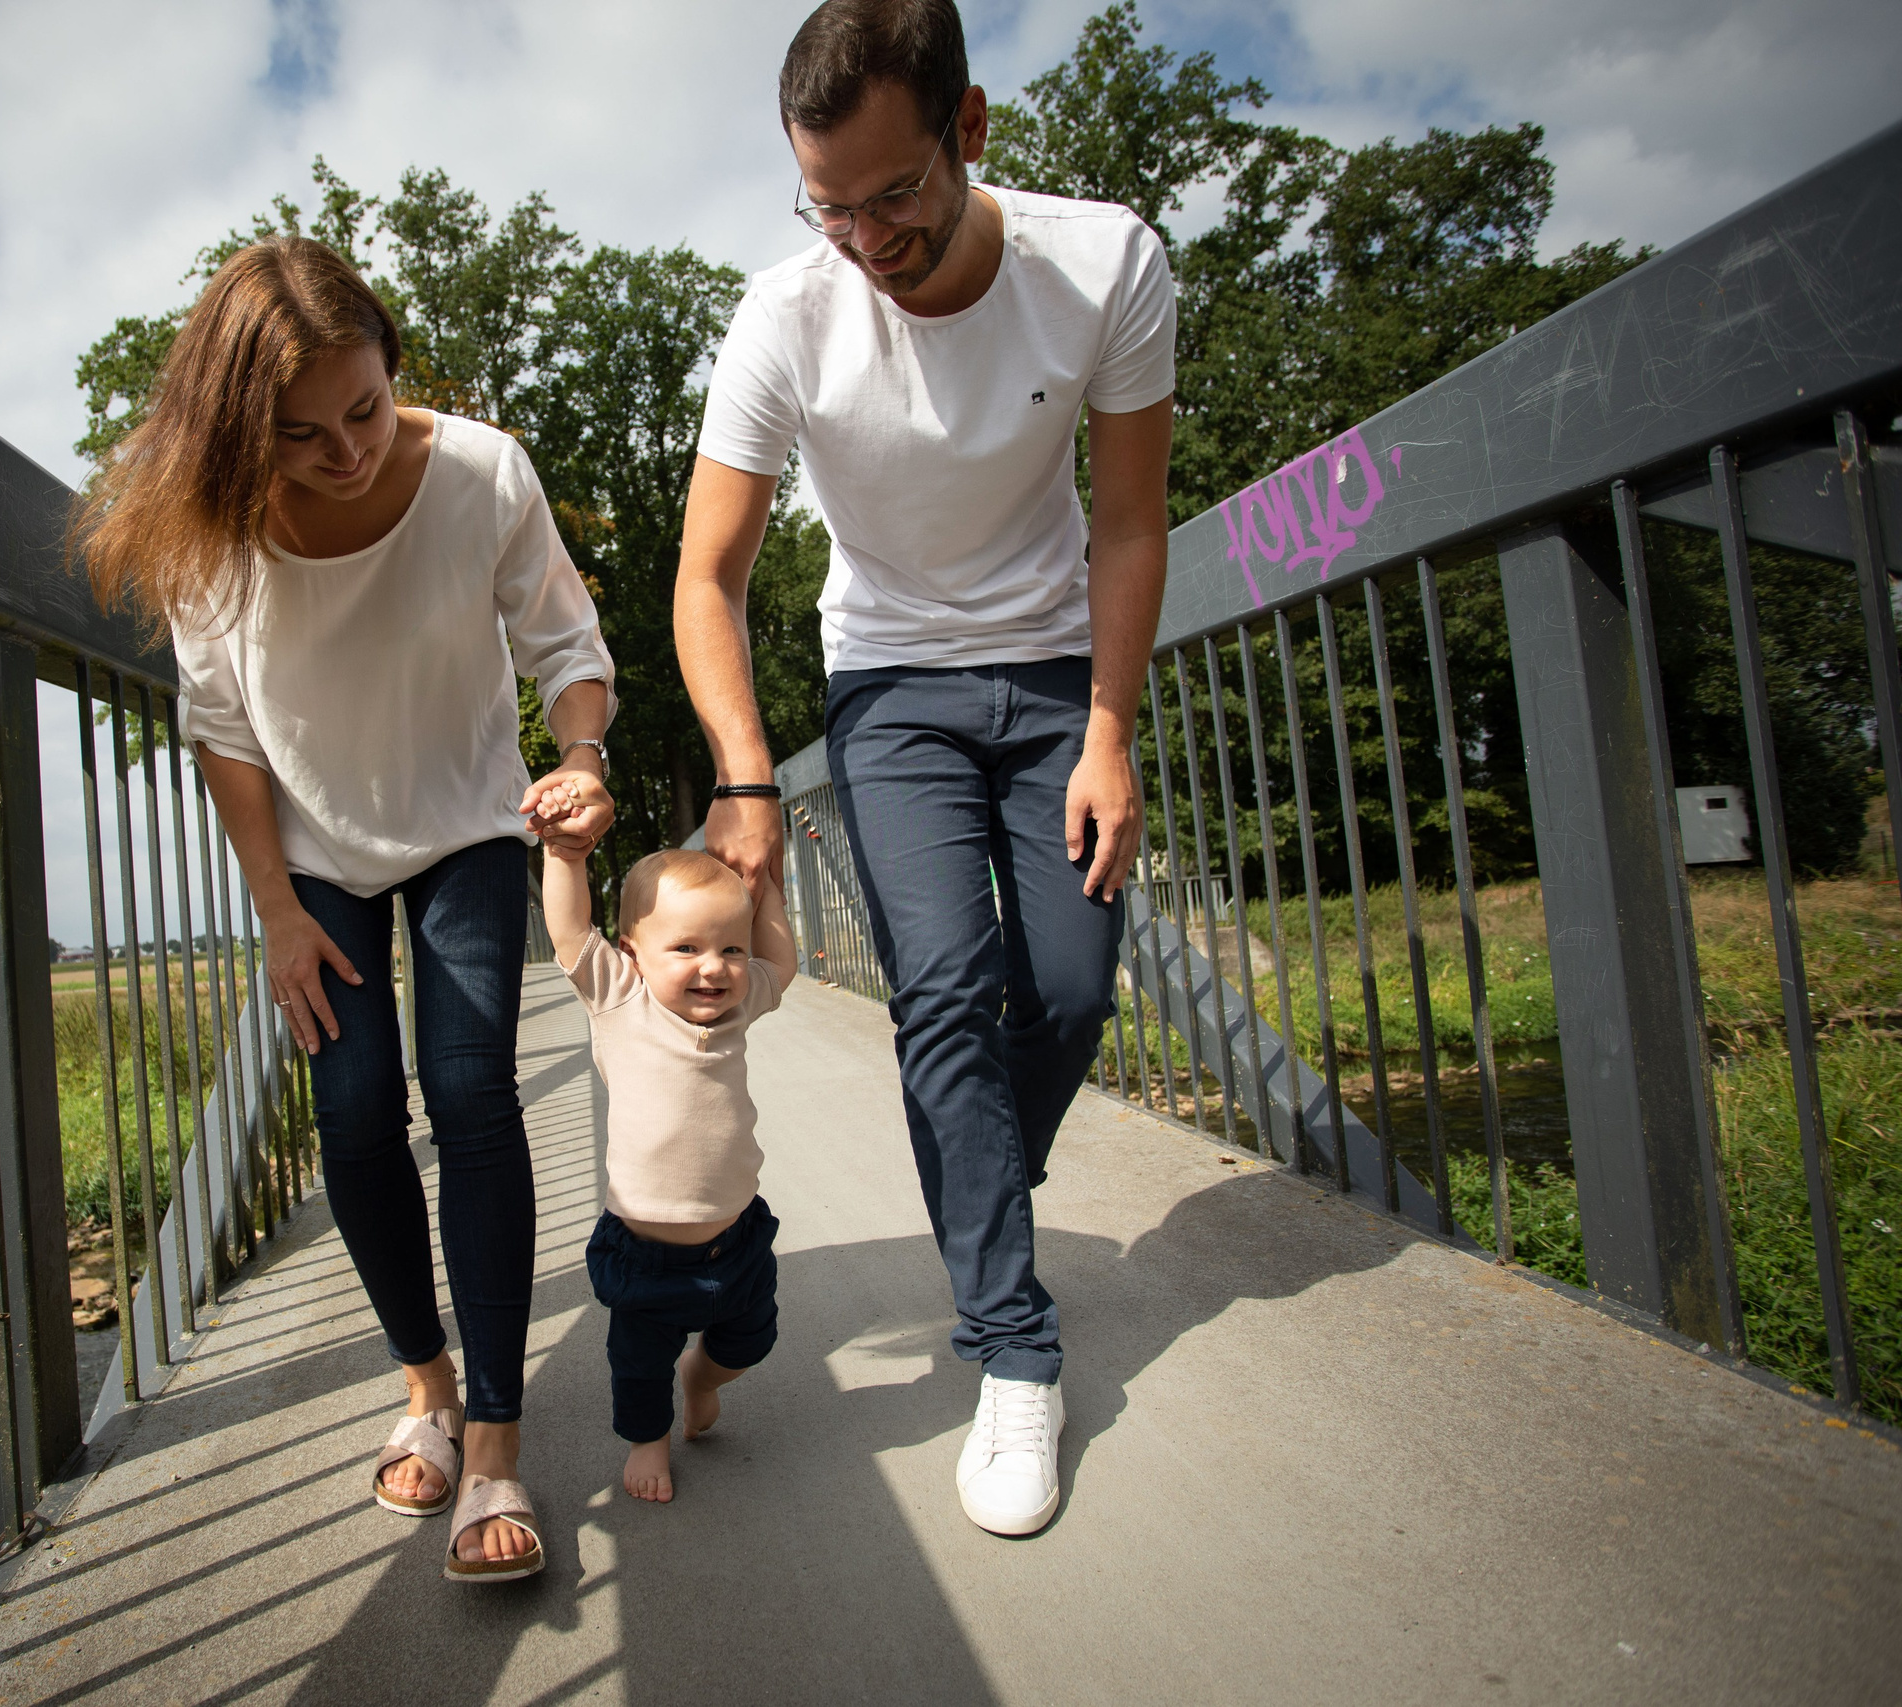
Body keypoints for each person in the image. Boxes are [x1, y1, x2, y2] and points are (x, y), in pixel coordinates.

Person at [674, 0, 1176, 1537]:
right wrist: (749, 774)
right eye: (827, 206)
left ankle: (975, 1195)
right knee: (947, 989)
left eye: (893, 196)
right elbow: (708, 576)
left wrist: (1108, 732)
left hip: (1045, 676)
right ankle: (1015, 1348)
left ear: (969, 131)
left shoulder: (1105, 265)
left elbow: (1137, 518)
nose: (865, 240)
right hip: (886, 683)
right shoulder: (785, 317)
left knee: (1077, 985)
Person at [74, 235, 618, 1583]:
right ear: (239, 433)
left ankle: (494, 1440)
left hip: (468, 824)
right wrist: (273, 903)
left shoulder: (484, 471)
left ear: (392, 362)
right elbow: (222, 726)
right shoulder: (206, 522)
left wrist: (585, 757)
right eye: (303, 436)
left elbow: (566, 642)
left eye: (364, 410)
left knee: (472, 1090)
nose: (348, 451)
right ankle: (425, 1385)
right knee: (359, 1109)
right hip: (310, 848)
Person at [536, 802, 798, 1504]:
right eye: (685, 949)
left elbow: (783, 959)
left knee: (748, 1342)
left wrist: (765, 884)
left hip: (737, 1239)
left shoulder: (742, 1004)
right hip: (646, 1253)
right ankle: (649, 1436)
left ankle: (702, 1377)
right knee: (637, 1366)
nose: (714, 968)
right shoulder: (621, 999)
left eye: (730, 949)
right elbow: (568, 930)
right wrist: (564, 857)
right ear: (632, 954)